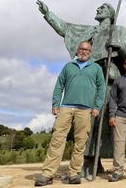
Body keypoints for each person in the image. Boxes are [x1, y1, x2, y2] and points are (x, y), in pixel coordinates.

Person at [37, 0, 126, 175]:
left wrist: (121, 47)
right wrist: (48, 14)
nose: (98, 8)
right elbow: (66, 29)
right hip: (91, 78)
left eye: (103, 7)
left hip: (110, 80)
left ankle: (106, 161)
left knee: (107, 123)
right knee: (89, 123)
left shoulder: (121, 31)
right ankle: (87, 160)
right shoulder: (90, 31)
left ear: (111, 13)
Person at [35, 41, 105, 186]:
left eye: (87, 49)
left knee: (80, 142)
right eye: (81, 49)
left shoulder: (96, 68)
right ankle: (48, 174)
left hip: (85, 109)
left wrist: (97, 106)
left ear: (90, 52)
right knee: (57, 140)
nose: (84, 51)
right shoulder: (68, 66)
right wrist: (55, 104)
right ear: (77, 51)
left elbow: (101, 89)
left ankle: (74, 173)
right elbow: (59, 85)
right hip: (66, 108)